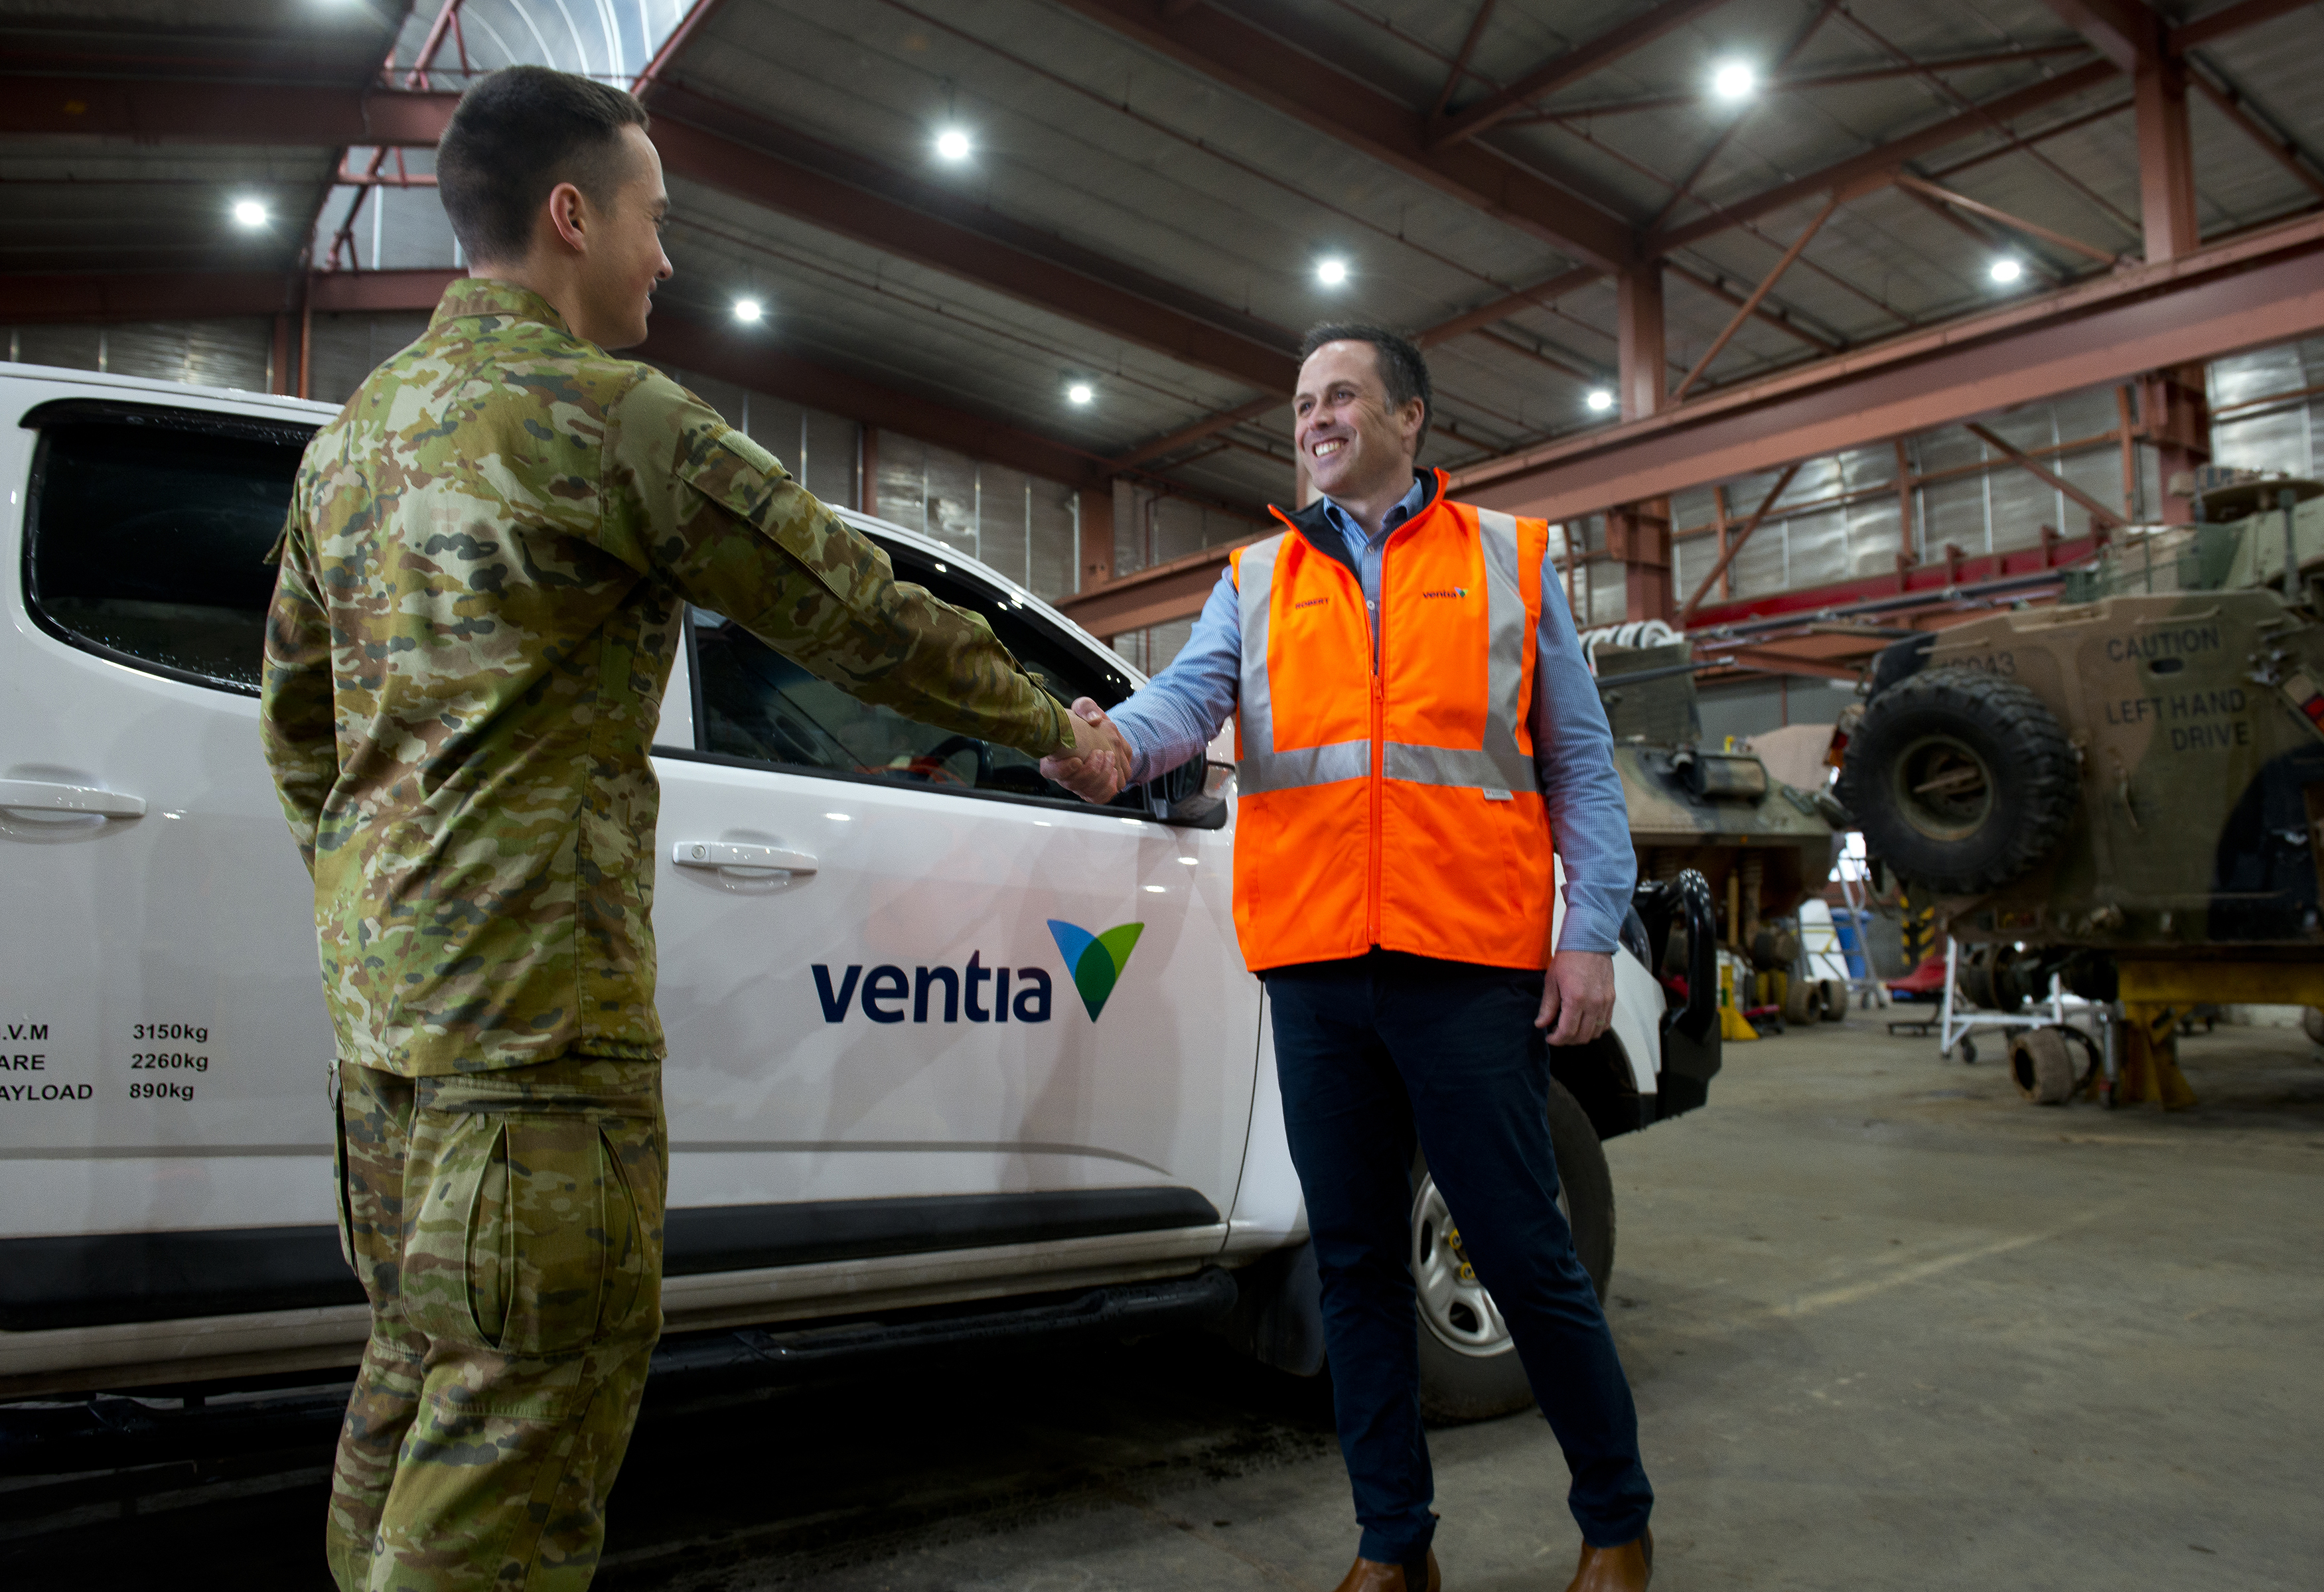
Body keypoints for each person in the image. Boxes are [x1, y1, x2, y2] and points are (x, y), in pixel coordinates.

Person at [259, 65, 1102, 1592]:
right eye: (656, 220)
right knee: (518, 1444)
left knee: (414, 1382)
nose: (669, 257)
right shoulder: (605, 419)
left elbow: (299, 731)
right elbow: (853, 611)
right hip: (536, 1054)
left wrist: (380, 913)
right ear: (571, 215)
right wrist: (1061, 727)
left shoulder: (351, 442)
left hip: (385, 1043)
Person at [1045, 325, 1654, 1592]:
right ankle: (1395, 1547)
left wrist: (1586, 933)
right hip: (1318, 968)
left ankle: (1615, 1521)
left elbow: (1581, 766)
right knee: (1358, 1266)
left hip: (1468, 967)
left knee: (1525, 1253)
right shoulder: (1258, 577)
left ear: (1410, 417)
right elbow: (1183, 706)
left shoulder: (1510, 560)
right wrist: (1107, 744)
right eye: (1302, 403)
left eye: (1340, 396)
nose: (1314, 418)